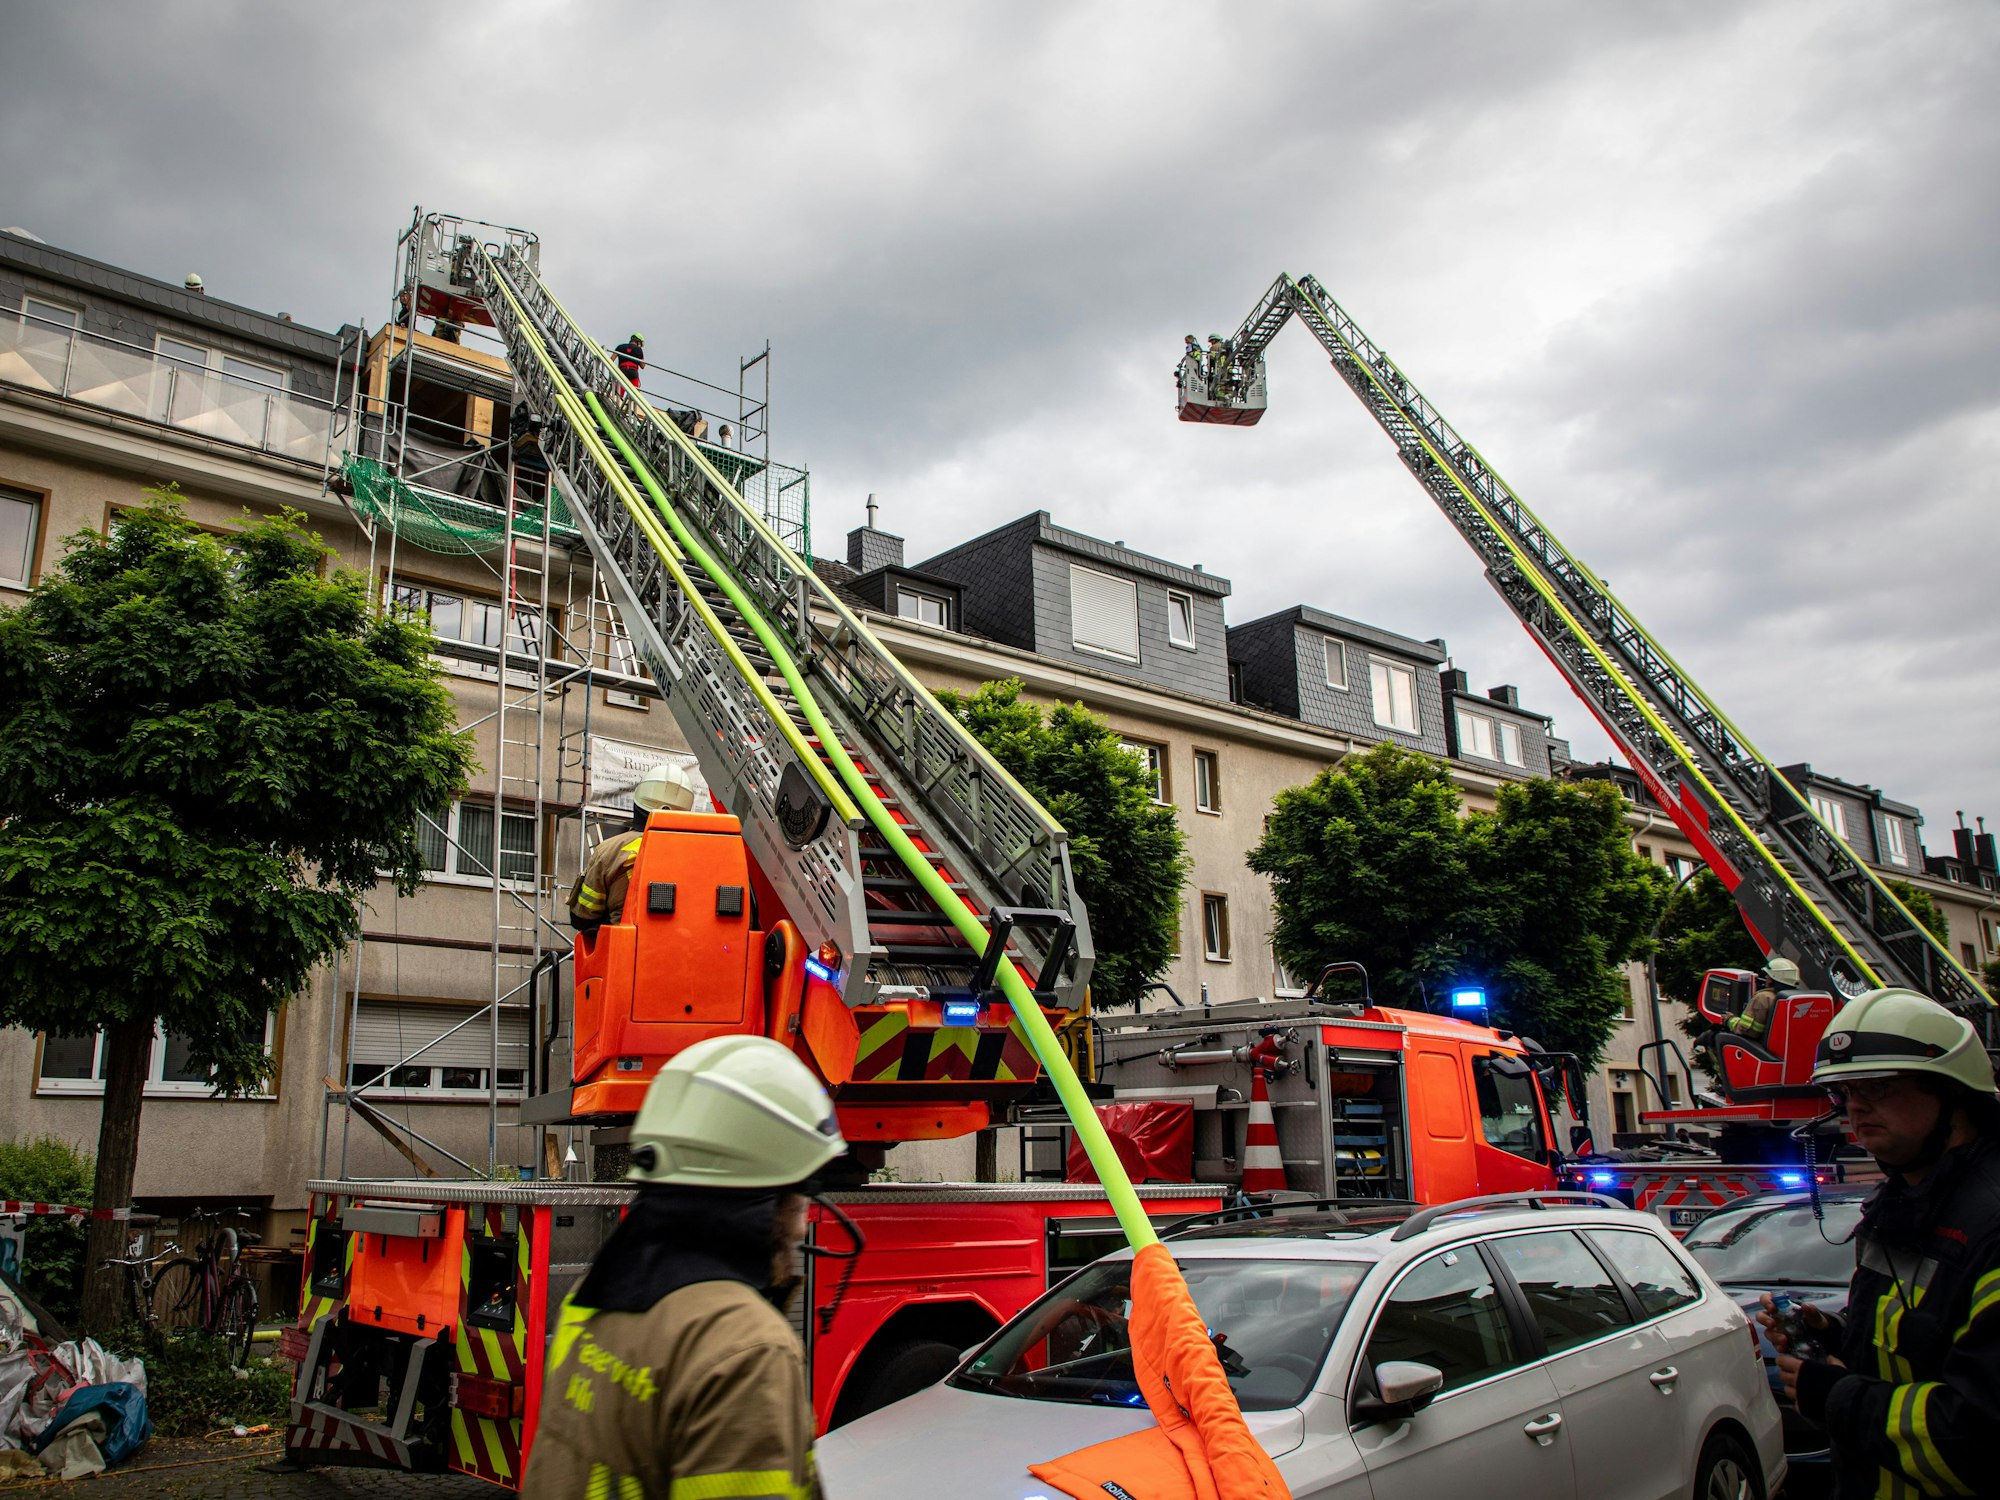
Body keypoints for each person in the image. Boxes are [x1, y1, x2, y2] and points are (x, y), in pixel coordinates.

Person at [520, 1035, 844, 1500]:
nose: (801, 1226)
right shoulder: (745, 1351)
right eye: (803, 1193)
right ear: (764, 1194)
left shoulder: (596, 1295)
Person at [1758, 988, 2000, 1500]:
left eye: (1879, 1086)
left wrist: (1837, 1397)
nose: (1855, 1106)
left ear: (1953, 1093)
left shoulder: (1990, 1225)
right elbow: (1925, 1342)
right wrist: (1836, 1335)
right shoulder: (1902, 1206)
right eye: (1844, 1091)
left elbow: (1982, 1438)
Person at [567, 762, 698, 931]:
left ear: (637, 803)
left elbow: (581, 919)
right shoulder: (697, 856)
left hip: (624, 953)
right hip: (687, 951)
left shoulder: (609, 852)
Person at [1727, 956, 1802, 1041]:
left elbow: (1749, 1031)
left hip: (1764, 1048)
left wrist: (1730, 1020)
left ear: (1771, 979)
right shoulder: (1798, 999)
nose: (1766, 977)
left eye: (1768, 975)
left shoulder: (1764, 997)